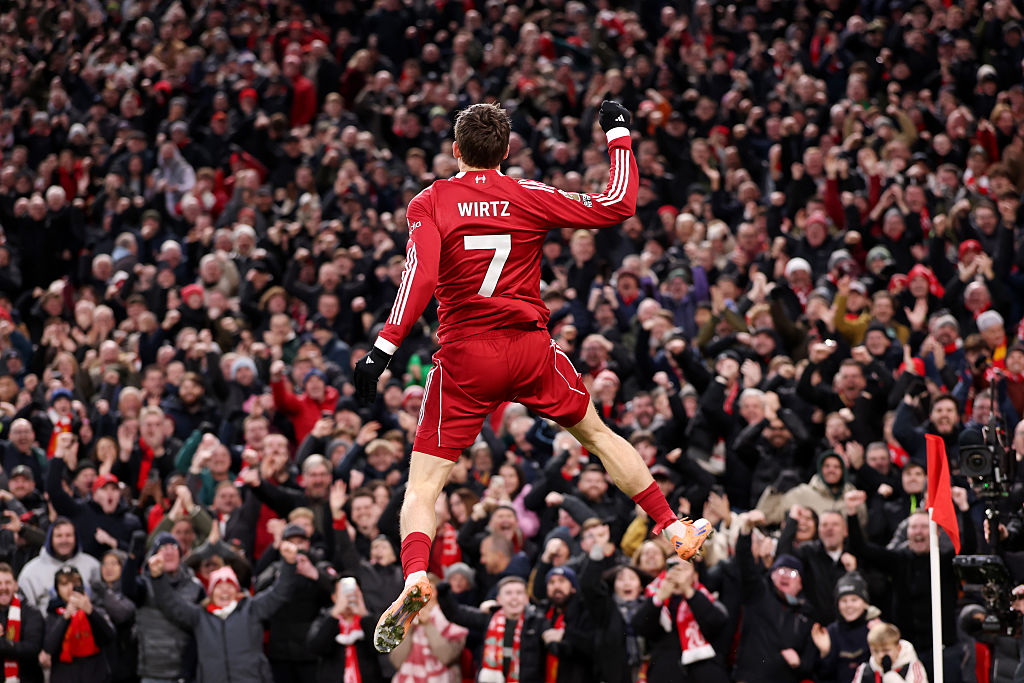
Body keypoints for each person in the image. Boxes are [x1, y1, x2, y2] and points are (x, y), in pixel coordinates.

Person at [352, 101, 712, 653]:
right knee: (597, 435)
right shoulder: (528, 195)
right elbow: (618, 204)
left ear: (455, 150)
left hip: (466, 358)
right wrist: (618, 134)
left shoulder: (431, 202)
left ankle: (417, 575)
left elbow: (419, 277)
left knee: (424, 484)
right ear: (506, 152)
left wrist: (382, 350)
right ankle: (671, 526)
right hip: (529, 349)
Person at [851, 622, 928, 682]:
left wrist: (892, 678)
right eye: (876, 651)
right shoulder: (864, 670)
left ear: (898, 648)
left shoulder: (913, 667)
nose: (880, 655)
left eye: (886, 650)